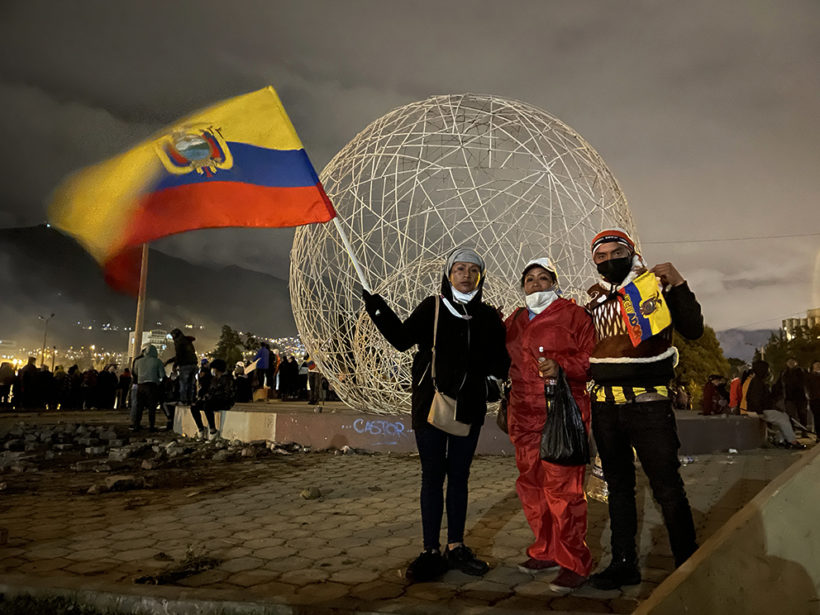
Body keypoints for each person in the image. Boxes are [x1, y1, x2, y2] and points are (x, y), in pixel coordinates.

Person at [362, 247, 509, 582]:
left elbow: (501, 362)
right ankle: (430, 550)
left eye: (473, 270)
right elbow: (401, 340)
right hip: (430, 405)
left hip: (468, 407)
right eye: (460, 269)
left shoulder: (487, 317)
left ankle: (455, 546)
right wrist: (377, 308)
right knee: (432, 476)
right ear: (448, 274)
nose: (466, 275)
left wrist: (493, 372)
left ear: (480, 277)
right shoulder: (433, 307)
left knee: (459, 477)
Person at [584, 228, 704, 590]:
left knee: (666, 486)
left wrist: (679, 284)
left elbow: (694, 330)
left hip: (648, 404)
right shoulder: (594, 302)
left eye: (614, 253)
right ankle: (624, 562)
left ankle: (688, 562)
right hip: (605, 406)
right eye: (600, 257)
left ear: (631, 252)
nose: (608, 261)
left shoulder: (656, 291)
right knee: (618, 488)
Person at [504, 257, 596, 593]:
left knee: (564, 493)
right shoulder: (514, 320)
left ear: (555, 282)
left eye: (544, 278)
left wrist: (562, 366)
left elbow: (593, 358)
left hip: (561, 416)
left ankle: (575, 561)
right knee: (532, 489)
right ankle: (545, 549)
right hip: (524, 417)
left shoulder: (574, 315)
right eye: (530, 279)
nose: (536, 284)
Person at [745, 360, 805, 449]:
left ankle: (781, 439)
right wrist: (759, 412)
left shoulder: (758, 382)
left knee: (783, 417)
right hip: (758, 411)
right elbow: (755, 400)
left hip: (760, 409)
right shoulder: (757, 383)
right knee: (783, 418)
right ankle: (791, 441)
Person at [190, 358, 235, 440]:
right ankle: (201, 429)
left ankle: (213, 430)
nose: (212, 370)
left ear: (218, 369)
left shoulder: (227, 379)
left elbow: (227, 394)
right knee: (194, 406)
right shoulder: (214, 379)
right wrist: (203, 398)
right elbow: (210, 391)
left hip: (224, 402)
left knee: (207, 406)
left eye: (213, 369)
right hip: (213, 399)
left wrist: (210, 398)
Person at [131, 344, 166, 432]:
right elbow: (162, 375)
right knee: (152, 407)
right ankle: (151, 426)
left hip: (141, 386)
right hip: (152, 386)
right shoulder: (157, 361)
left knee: (139, 407)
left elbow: (135, 372)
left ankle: (136, 425)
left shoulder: (138, 361)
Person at [166, 328, 198, 407]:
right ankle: (190, 400)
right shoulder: (188, 342)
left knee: (183, 384)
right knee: (191, 384)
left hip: (185, 365)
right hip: (194, 365)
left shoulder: (179, 342)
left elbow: (179, 355)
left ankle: (183, 400)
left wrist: (174, 365)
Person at [779, 357, 808, 428]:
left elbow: (804, 382)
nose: (791, 363)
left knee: (802, 414)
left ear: (796, 362)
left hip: (800, 396)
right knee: (790, 415)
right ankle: (792, 431)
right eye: (789, 362)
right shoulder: (784, 372)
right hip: (789, 397)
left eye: (792, 361)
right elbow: (780, 384)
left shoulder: (801, 371)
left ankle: (804, 430)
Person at [807, 360, 820, 433]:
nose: (818, 366)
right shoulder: (809, 376)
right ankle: (818, 434)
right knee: (817, 417)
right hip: (815, 399)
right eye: (816, 365)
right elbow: (807, 388)